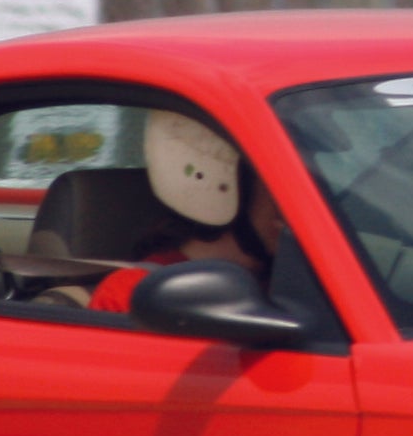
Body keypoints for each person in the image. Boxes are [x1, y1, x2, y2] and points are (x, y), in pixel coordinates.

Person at [90, 110, 283, 313]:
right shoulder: (132, 292)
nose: (288, 200)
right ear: (221, 183)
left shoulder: (294, 285)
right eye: (276, 184)